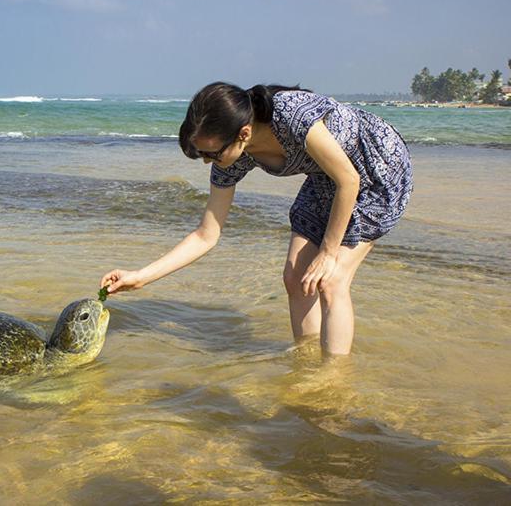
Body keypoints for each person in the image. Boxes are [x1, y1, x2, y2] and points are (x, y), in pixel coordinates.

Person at [100, 82, 413, 355]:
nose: (209, 163)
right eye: (202, 156)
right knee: (296, 279)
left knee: (330, 281)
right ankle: (306, 363)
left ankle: (331, 382)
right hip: (326, 177)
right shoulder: (231, 160)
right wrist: (141, 276)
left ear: (244, 133)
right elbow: (206, 235)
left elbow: (349, 180)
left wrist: (329, 253)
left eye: (212, 154)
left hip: (376, 170)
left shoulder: (292, 116)